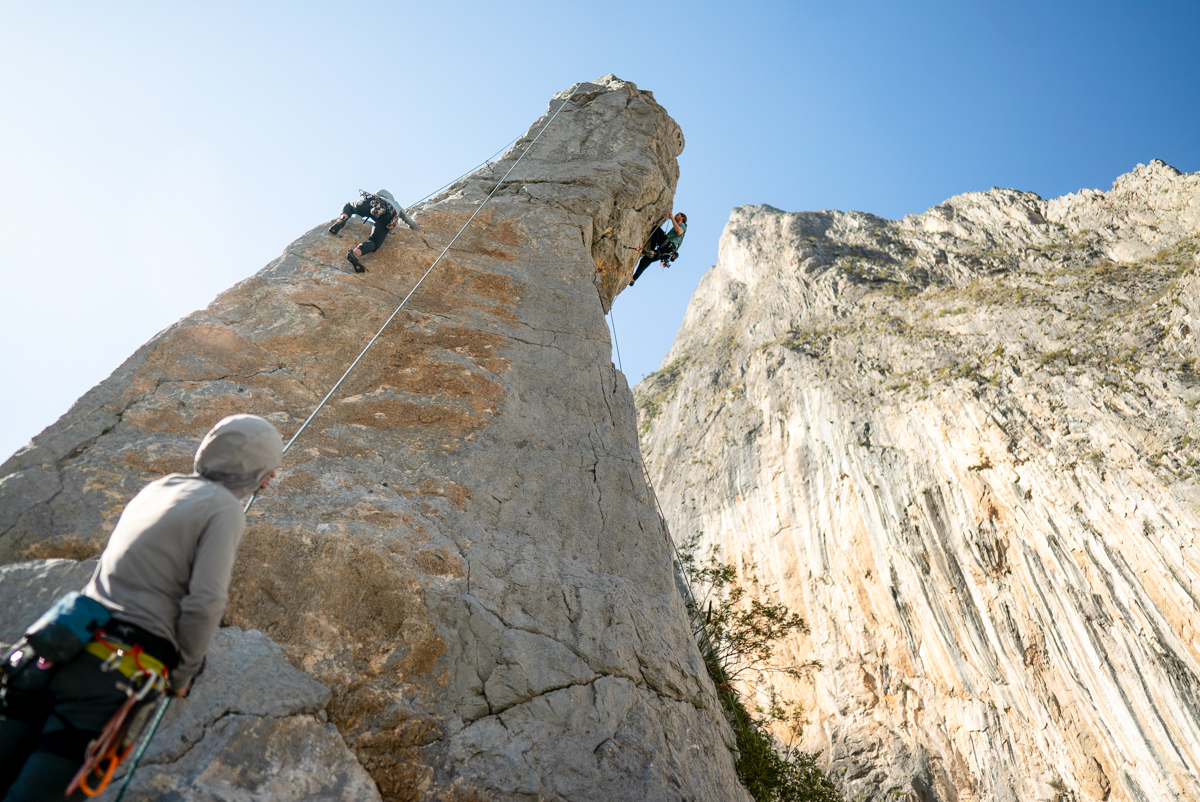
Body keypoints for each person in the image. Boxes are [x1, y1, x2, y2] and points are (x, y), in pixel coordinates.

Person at [0, 415, 283, 801]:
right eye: (268, 471)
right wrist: (182, 676)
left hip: (53, 645)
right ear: (254, 469)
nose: (269, 481)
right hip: (112, 670)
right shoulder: (224, 509)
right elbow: (205, 601)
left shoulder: (158, 488)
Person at [328, 189, 419, 273]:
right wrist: (415, 224)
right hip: (389, 215)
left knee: (348, 206)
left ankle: (343, 218)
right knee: (375, 241)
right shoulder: (398, 207)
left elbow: (357, 211)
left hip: (372, 204)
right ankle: (355, 253)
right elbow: (412, 224)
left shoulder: (378, 196)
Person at [630, 212, 687, 286]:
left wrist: (672, 218)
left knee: (656, 229)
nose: (676, 215)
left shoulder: (682, 225)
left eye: (678, 215)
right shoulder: (677, 226)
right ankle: (633, 279)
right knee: (646, 259)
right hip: (665, 252)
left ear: (682, 218)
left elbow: (679, 231)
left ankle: (652, 251)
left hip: (669, 247)